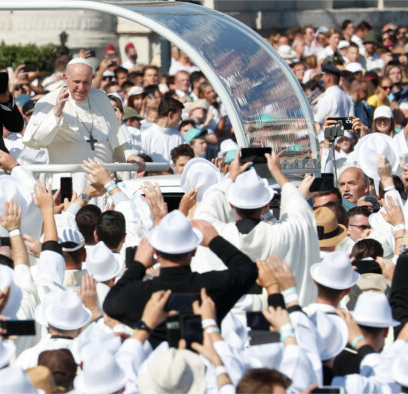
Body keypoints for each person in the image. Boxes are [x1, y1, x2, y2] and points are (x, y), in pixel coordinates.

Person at [103, 210, 257, 346]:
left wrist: (139, 264)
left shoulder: (141, 292)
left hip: (156, 371)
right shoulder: (211, 286)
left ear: (155, 250)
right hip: (204, 366)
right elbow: (247, 270)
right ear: (194, 250)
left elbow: (110, 304)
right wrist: (214, 240)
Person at [193, 152, 320, 303]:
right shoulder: (284, 234)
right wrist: (277, 172)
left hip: (228, 318)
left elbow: (205, 210)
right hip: (275, 317)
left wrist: (231, 177)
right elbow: (301, 214)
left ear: (231, 204)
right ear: (266, 205)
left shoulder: (215, 235)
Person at [23, 58, 145, 172]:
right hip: (68, 179)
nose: (81, 88)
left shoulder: (101, 98)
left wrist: (130, 156)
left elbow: (116, 139)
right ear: (65, 78)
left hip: (102, 179)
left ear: (92, 79)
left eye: (86, 82)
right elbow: (38, 140)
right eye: (76, 82)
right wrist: (57, 111)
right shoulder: (49, 100)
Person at [140, 97, 184, 165]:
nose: (181, 119)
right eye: (179, 116)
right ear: (170, 114)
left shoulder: (178, 136)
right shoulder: (146, 135)